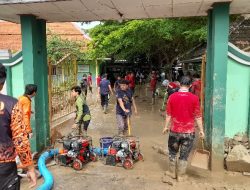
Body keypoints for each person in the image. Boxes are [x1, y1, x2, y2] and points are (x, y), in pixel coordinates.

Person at [0, 63, 37, 189]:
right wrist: (30, 168)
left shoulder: (19, 100)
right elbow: (20, 141)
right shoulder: (11, 103)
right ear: (3, 82)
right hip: (4, 169)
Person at [162, 76, 204, 182]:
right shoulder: (194, 98)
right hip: (189, 133)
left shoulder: (172, 97)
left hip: (174, 131)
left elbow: (168, 115)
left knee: (172, 153)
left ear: (180, 84)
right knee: (184, 155)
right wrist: (201, 130)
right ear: (190, 86)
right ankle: (181, 176)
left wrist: (166, 127)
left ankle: (172, 173)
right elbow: (198, 116)